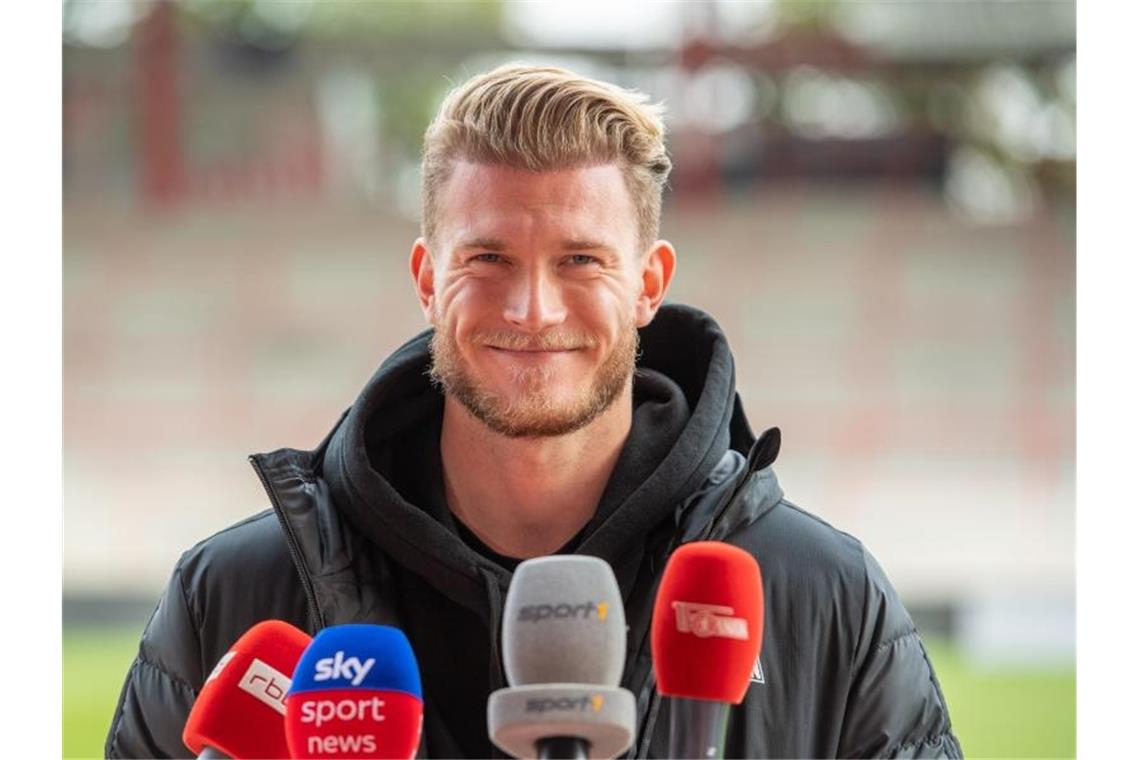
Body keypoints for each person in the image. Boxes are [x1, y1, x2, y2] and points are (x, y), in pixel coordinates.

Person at [106, 64, 962, 759]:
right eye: (488, 258)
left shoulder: (824, 596)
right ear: (427, 279)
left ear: (649, 285)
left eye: (581, 260)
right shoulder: (233, 596)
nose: (532, 309)